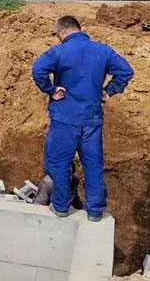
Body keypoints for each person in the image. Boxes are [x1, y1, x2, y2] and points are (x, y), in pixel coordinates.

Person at [31, 15, 133, 222]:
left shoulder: (59, 51)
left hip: (65, 119)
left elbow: (38, 70)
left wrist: (51, 90)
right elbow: (126, 71)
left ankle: (61, 206)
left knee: (58, 163)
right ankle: (95, 211)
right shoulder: (103, 51)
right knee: (93, 165)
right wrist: (108, 91)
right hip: (91, 119)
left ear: (62, 31)